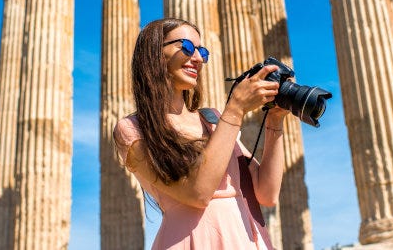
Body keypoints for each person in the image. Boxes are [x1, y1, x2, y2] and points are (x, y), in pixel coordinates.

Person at [113, 18, 289, 249]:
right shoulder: (132, 129)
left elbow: (267, 193)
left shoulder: (213, 119)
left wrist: (275, 122)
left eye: (202, 51)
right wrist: (235, 109)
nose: (197, 58)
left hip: (243, 237)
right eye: (186, 47)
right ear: (154, 54)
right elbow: (198, 193)